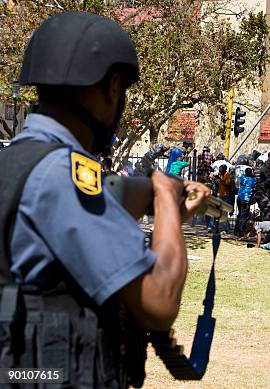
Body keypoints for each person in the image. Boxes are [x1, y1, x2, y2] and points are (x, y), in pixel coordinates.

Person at [0, 12, 210, 387]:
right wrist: (164, 198)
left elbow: (104, 200)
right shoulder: (63, 176)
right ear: (113, 87)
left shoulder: (17, 163)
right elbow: (159, 301)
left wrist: (152, 194)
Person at [235, 167, 256, 236]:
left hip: (239, 197)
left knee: (239, 214)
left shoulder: (242, 177)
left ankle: (236, 230)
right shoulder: (252, 180)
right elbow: (254, 186)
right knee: (244, 216)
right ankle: (241, 231)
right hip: (246, 199)